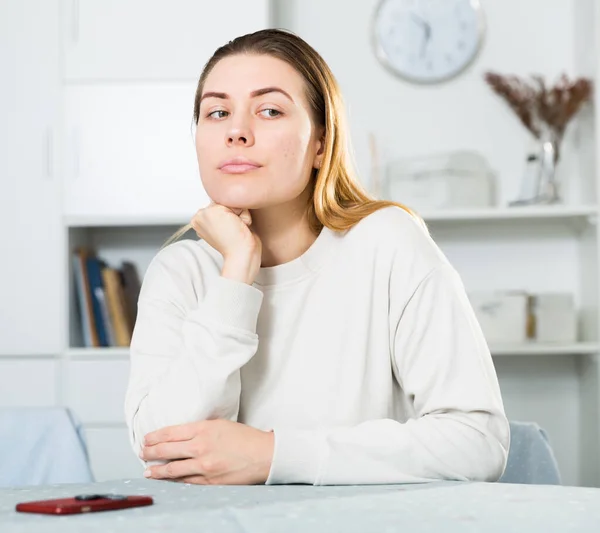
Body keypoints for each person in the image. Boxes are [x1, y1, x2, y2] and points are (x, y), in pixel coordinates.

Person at [124, 28, 509, 486]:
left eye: (269, 110)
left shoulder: (386, 242)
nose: (236, 132)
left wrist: (272, 455)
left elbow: (477, 442)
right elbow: (165, 450)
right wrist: (236, 276)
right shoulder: (179, 271)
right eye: (217, 111)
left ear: (321, 144)